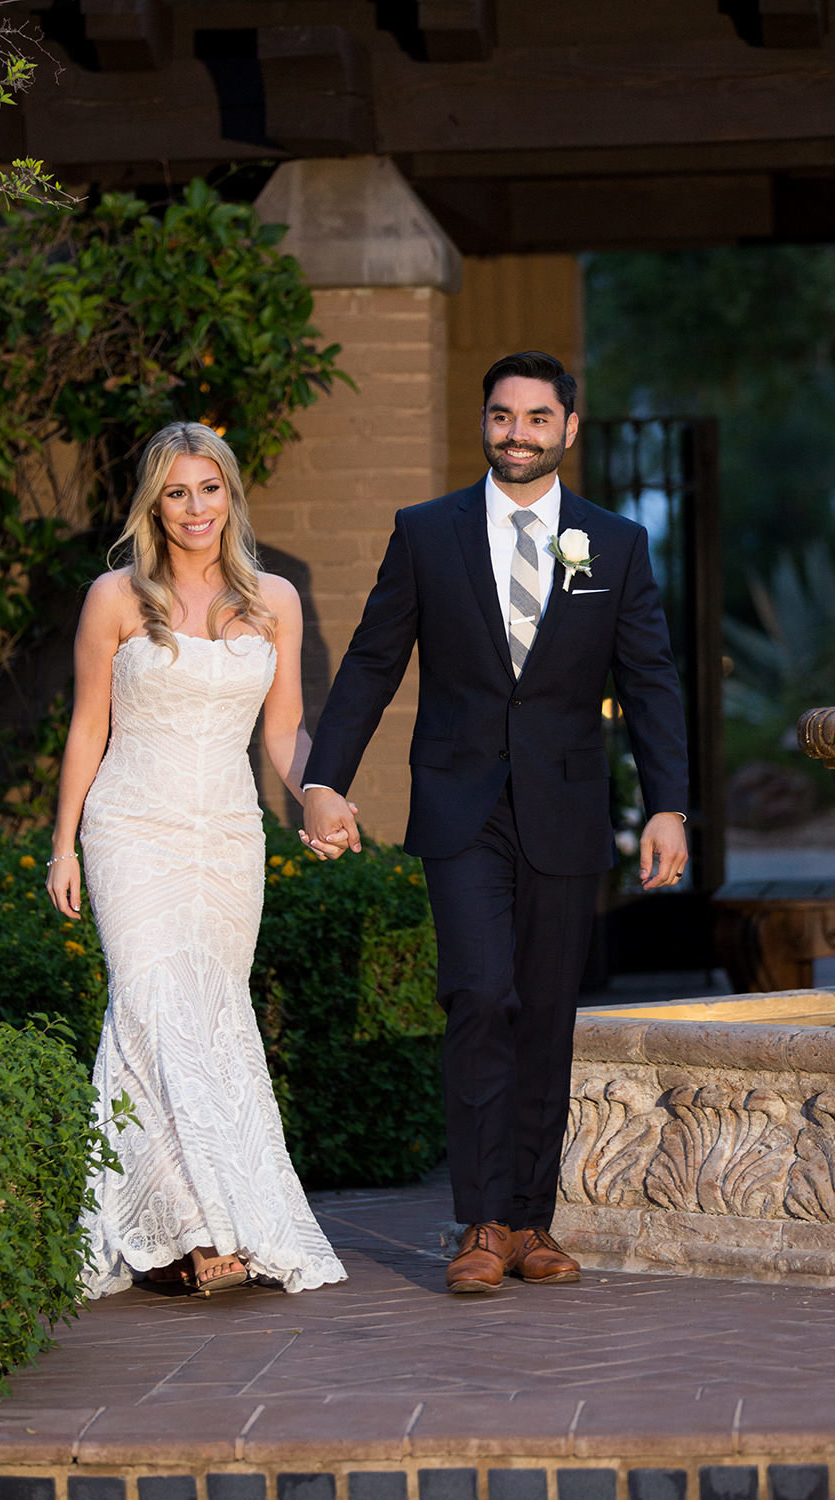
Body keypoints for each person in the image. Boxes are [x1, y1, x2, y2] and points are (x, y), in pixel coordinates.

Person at [300, 351, 689, 1293]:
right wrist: (323, 781)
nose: (518, 434)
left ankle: (529, 1222)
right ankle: (479, 1220)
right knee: (479, 995)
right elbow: (370, 662)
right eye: (502, 417)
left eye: (537, 419)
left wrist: (669, 803)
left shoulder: (616, 543)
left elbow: (648, 681)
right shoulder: (425, 533)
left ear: (568, 429)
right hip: (460, 803)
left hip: (563, 806)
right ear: (485, 421)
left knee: (547, 1014)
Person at [46, 421, 346, 1299]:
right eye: (176, 492)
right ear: (153, 503)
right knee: (148, 1009)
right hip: (130, 829)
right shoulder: (113, 598)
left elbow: (284, 731)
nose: (194, 509)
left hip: (225, 835)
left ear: (230, 494)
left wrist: (318, 793)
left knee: (212, 1021)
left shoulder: (274, 600)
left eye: (208, 489)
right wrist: (62, 844)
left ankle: (221, 1221)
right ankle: (176, 1231)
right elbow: (87, 727)